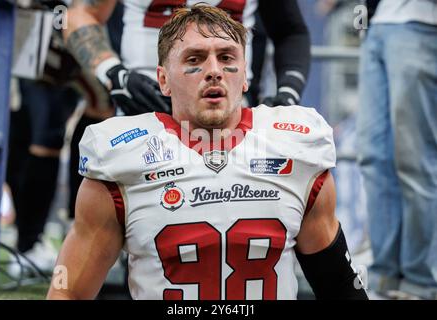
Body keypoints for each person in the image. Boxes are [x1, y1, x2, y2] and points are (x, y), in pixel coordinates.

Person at [47, 4, 367, 300]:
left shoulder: (294, 154)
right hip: (138, 119)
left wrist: (287, 92)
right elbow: (68, 292)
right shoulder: (120, 162)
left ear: (245, 76)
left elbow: (341, 287)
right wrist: (113, 73)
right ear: (163, 79)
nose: (213, 71)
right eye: (194, 59)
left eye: (227, 58)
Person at [63, 0, 311, 114]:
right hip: (145, 107)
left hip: (228, 113)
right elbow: (77, 16)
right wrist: (114, 74)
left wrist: (288, 94)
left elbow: (290, 30)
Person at [357, 0, 437, 299]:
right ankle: (384, 276)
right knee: (373, 157)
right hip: (375, 24)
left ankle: (420, 282)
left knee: (416, 161)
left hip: (421, 24)